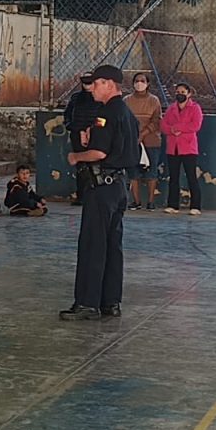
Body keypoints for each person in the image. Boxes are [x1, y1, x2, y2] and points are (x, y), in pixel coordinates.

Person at [60, 64, 138, 321]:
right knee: (112, 246)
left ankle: (87, 303)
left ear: (109, 84)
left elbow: (100, 152)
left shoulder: (106, 113)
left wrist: (76, 156)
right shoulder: (127, 112)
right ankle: (110, 301)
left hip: (102, 186)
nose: (91, 88)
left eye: (96, 83)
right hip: (119, 185)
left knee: (93, 244)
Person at [161, 82, 203, 215]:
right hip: (173, 148)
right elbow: (163, 125)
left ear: (189, 94)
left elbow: (195, 125)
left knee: (191, 177)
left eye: (183, 92)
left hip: (188, 148)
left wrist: (179, 128)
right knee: (173, 177)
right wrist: (172, 130)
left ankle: (195, 206)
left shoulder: (195, 108)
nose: (180, 94)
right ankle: (173, 205)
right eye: (178, 92)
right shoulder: (171, 109)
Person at [126, 72, 162, 211]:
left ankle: (151, 202)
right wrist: (134, 136)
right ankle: (136, 201)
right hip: (132, 141)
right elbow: (124, 120)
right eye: (136, 80)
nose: (139, 83)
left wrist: (143, 134)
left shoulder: (154, 100)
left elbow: (156, 120)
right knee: (133, 172)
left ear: (148, 84)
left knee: (151, 172)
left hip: (151, 141)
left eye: (142, 80)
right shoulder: (127, 100)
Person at [64, 72, 101, 206]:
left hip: (96, 136)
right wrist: (75, 128)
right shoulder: (76, 98)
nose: (88, 85)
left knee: (95, 165)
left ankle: (96, 195)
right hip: (77, 135)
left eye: (90, 82)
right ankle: (82, 196)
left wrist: (92, 130)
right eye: (85, 82)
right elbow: (68, 115)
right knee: (81, 166)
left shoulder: (100, 98)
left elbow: (103, 118)